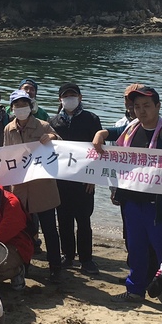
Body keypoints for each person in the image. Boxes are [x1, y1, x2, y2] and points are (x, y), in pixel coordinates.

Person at [92, 87, 162, 302]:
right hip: (131, 201)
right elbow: (110, 133)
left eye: (147, 106)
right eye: (137, 106)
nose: (141, 111)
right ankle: (135, 290)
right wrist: (100, 134)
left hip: (157, 205)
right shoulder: (130, 129)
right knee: (136, 248)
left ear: (158, 107)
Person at [5, 89, 63, 283]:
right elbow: (6, 156)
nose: (21, 108)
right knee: (25, 231)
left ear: (30, 107)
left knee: (50, 230)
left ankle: (55, 267)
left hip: (43, 187)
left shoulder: (43, 125)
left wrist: (53, 138)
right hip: (20, 189)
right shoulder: (8, 129)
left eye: (24, 105)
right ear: (12, 108)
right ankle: (25, 265)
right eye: (17, 105)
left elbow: (63, 147)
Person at [48, 82, 103, 275]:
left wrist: (93, 177)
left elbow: (99, 151)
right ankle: (68, 256)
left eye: (73, 95)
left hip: (84, 180)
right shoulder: (53, 122)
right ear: (60, 99)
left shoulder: (91, 119)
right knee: (64, 220)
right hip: (61, 180)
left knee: (84, 220)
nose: (69, 99)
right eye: (65, 96)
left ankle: (86, 259)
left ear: (80, 97)